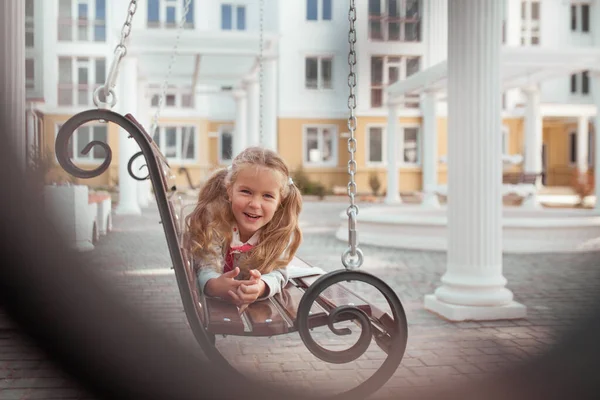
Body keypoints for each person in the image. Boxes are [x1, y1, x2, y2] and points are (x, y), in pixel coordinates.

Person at [186, 147, 302, 310]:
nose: (255, 204)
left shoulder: (278, 231)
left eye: (267, 196)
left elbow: (279, 273)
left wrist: (261, 287)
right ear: (230, 191)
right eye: (246, 192)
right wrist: (215, 285)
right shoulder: (214, 223)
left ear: (280, 201)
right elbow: (205, 267)